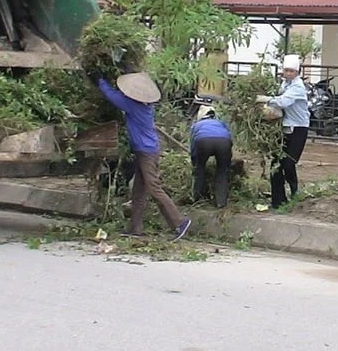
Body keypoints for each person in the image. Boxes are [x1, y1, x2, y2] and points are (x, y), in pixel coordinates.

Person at [92, 72, 191, 241]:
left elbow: (112, 96)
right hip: (143, 151)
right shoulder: (145, 106)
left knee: (154, 187)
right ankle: (135, 228)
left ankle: (179, 222)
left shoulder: (133, 106)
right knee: (138, 191)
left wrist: (100, 81)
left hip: (147, 152)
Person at [257, 54, 310, 209]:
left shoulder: (298, 87)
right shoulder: (284, 84)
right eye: (286, 70)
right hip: (284, 128)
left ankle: (294, 192)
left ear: (297, 72)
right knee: (276, 164)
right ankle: (278, 201)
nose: (288, 73)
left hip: (298, 128)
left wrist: (266, 99)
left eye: (291, 71)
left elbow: (283, 102)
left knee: (289, 162)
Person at [189, 105, 234, 208]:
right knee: (222, 171)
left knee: (199, 169)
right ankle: (221, 202)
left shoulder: (197, 125)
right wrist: (228, 160)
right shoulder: (221, 122)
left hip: (203, 141)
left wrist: (194, 162)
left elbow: (193, 144)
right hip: (224, 142)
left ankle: (197, 198)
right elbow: (229, 136)